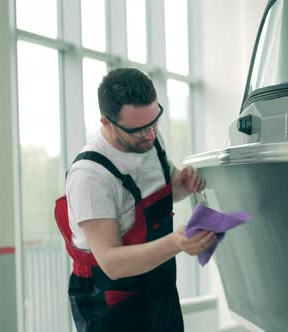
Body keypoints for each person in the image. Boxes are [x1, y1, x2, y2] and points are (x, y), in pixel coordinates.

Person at [54, 68, 216, 331]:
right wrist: (177, 242)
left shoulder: (150, 139)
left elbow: (152, 201)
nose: (150, 135)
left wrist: (182, 185)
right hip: (112, 303)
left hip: (159, 289)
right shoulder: (90, 177)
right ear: (107, 123)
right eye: (138, 130)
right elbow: (112, 263)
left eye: (154, 122)